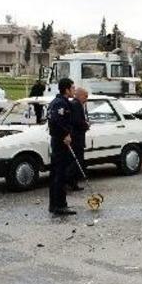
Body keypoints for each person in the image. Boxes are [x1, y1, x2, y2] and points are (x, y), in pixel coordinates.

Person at [47, 78, 76, 216]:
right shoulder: (60, 103)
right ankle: (60, 205)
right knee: (60, 174)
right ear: (66, 89)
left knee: (56, 174)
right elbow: (56, 121)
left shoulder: (59, 102)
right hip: (60, 142)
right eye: (73, 88)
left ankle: (54, 204)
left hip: (58, 141)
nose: (74, 90)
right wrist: (65, 134)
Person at [68, 87, 90, 192]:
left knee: (74, 161)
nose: (86, 99)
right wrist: (86, 125)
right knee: (76, 161)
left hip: (75, 138)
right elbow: (77, 121)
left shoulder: (74, 104)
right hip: (76, 138)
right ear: (80, 95)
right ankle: (72, 182)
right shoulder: (76, 105)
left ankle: (72, 182)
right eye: (85, 96)